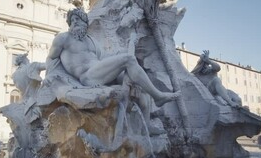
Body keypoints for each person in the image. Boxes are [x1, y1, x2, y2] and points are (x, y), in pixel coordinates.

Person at [46, 8, 180, 107]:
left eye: (77, 19)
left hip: (101, 73)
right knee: (128, 59)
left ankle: (147, 125)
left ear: (85, 22)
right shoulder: (63, 38)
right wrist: (55, 81)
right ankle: (158, 96)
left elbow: (104, 60)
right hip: (87, 77)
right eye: (72, 20)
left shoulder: (91, 41)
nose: (74, 22)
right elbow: (51, 60)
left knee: (139, 85)